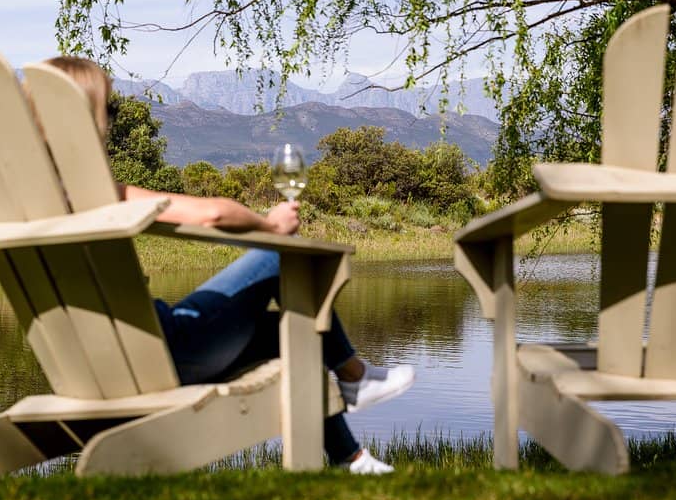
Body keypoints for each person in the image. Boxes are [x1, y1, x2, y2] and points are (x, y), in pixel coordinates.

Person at [41, 56, 416, 475]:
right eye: (109, 109)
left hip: (93, 365)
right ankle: (355, 375)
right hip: (166, 353)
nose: (111, 120)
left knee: (287, 332)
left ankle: (353, 459)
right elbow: (213, 215)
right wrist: (269, 224)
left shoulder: (30, 200)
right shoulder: (96, 192)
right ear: (86, 116)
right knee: (276, 254)